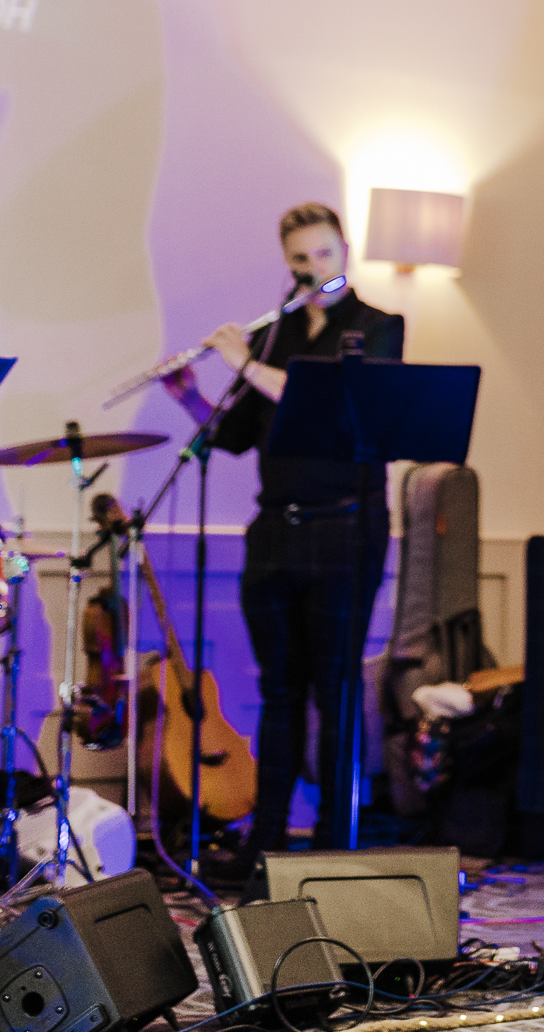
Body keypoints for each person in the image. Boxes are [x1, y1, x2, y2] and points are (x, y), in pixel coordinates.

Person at [162, 202, 403, 858]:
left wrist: (243, 363)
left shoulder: (378, 328)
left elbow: (331, 406)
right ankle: (266, 839)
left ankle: (333, 841)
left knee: (337, 688)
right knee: (280, 691)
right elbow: (236, 435)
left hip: (345, 528)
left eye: (324, 254)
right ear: (287, 262)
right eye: (301, 258)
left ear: (345, 252)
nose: (313, 268)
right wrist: (189, 395)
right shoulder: (275, 335)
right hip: (275, 531)